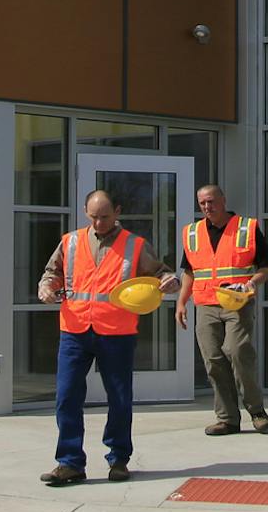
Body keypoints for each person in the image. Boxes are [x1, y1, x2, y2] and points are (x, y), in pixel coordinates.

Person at [36, 188, 181, 487]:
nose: (99, 223)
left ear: (117, 212)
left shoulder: (135, 245)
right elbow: (52, 273)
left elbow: (162, 273)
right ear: (86, 213)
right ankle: (69, 463)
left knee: (119, 399)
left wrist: (169, 281)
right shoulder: (71, 241)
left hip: (116, 332)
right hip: (74, 330)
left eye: (104, 216)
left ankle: (118, 459)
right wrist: (47, 287)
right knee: (66, 398)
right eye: (93, 217)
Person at [175, 183, 268, 435]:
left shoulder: (247, 228)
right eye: (202, 203)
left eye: (211, 201)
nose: (207, 207)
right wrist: (181, 302)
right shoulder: (192, 232)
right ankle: (228, 419)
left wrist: (251, 283)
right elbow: (190, 272)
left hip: (236, 303)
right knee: (213, 360)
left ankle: (256, 410)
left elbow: (267, 267)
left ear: (223, 200)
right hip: (205, 304)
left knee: (238, 351)